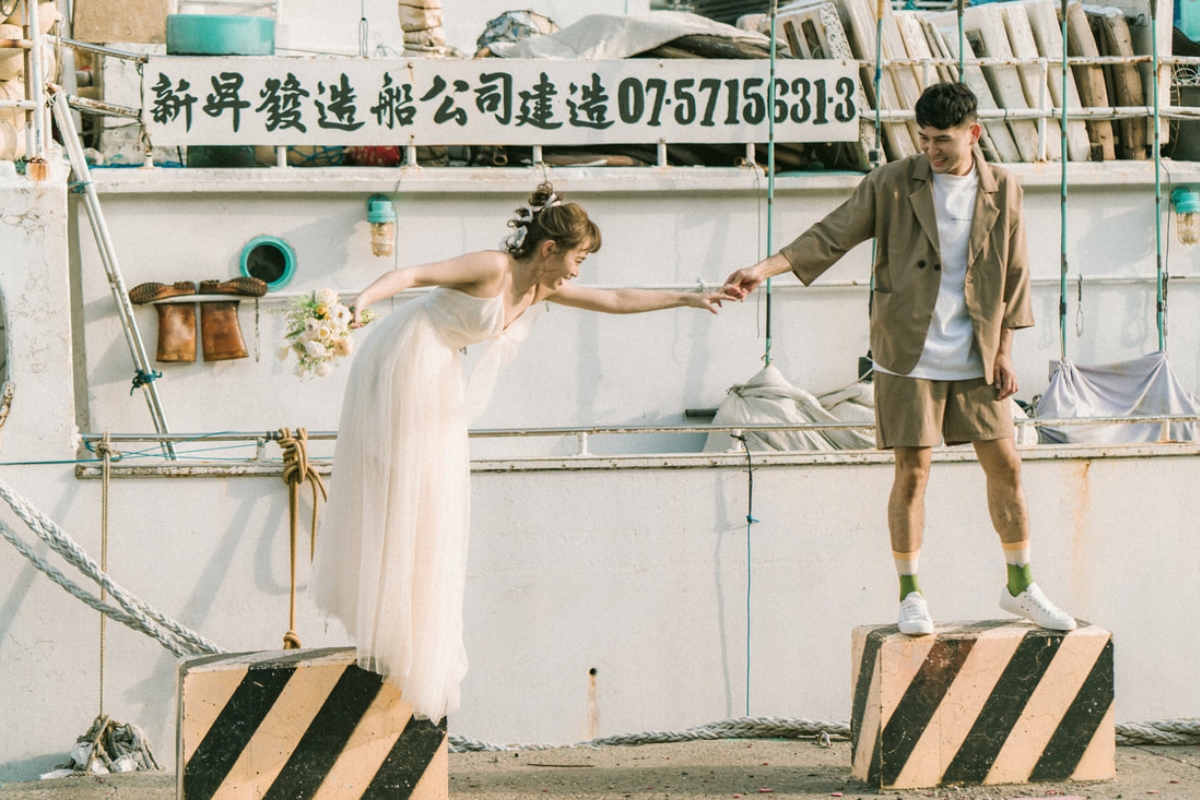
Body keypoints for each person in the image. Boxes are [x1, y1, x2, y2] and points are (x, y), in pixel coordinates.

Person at [313, 182, 736, 722]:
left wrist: (687, 297)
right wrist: (360, 303)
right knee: (417, 487)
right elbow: (413, 275)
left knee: (436, 497)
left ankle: (405, 625)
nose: (579, 273)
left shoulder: (541, 290)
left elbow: (615, 300)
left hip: (438, 368)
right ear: (548, 249)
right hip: (405, 356)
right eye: (578, 259)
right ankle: (387, 609)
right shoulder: (493, 268)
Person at [722, 82, 1075, 637]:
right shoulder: (890, 183)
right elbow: (831, 234)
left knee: (1007, 465)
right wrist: (761, 271)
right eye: (925, 139)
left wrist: (1006, 349)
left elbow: (1015, 271)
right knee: (913, 472)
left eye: (944, 141)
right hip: (908, 353)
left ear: (973, 134)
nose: (931, 151)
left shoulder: (1003, 187)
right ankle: (911, 595)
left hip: (977, 353)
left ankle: (1021, 586)